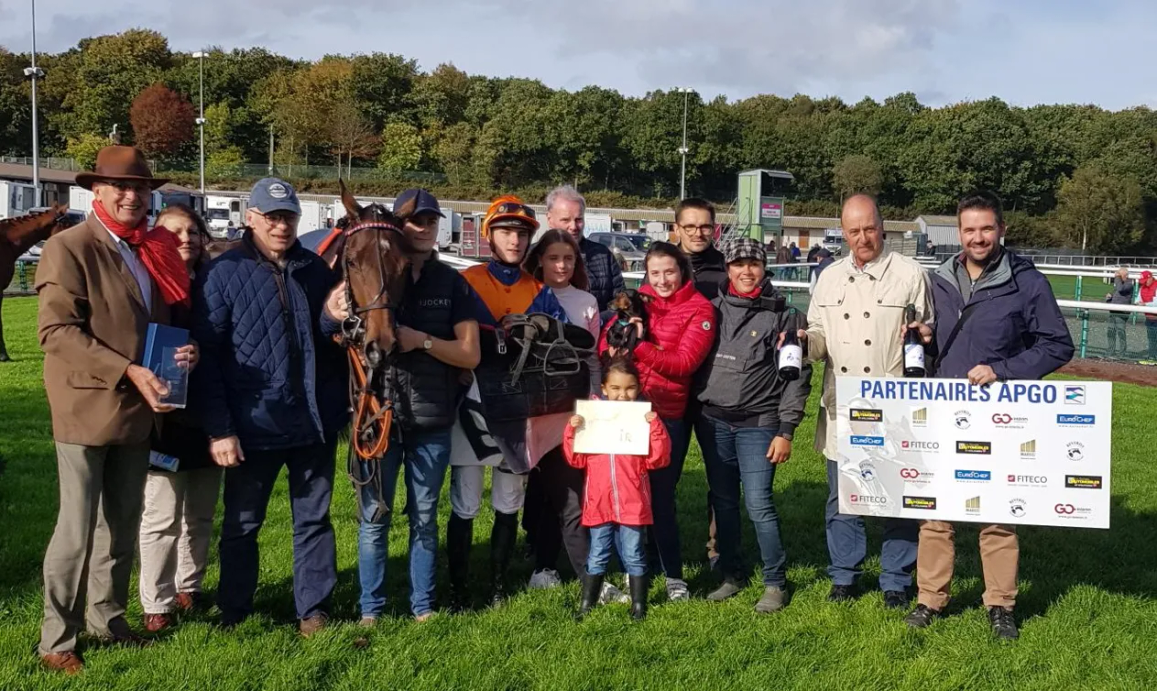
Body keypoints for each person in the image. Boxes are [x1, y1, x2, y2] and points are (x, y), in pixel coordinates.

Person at [36, 146, 197, 673]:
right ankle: (58, 640)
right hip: (86, 409)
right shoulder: (69, 247)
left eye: (142, 188)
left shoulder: (151, 249)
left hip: (140, 410)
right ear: (97, 192)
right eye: (120, 187)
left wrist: (181, 350)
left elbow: (157, 324)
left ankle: (109, 620)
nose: (132, 196)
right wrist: (128, 369)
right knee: (76, 531)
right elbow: (55, 332)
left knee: (122, 525)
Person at [903, 191, 1074, 640]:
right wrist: (923, 337)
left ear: (1001, 230)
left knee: (997, 514)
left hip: (1000, 416)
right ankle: (930, 598)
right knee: (936, 512)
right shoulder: (939, 279)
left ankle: (1000, 603)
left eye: (986, 228)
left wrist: (1003, 371)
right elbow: (934, 342)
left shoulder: (1027, 282)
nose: (978, 237)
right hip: (943, 409)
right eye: (969, 229)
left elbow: (1057, 345)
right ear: (959, 233)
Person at [192, 177, 348, 636]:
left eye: (289, 217)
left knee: (314, 521)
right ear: (251, 218)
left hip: (312, 422)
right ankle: (235, 608)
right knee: (242, 524)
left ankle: (313, 610)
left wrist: (330, 317)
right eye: (272, 217)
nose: (281, 226)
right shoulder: (223, 272)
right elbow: (209, 358)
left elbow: (325, 341)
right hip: (252, 424)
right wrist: (220, 429)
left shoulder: (315, 269)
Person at [328, 189, 480, 624]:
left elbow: (470, 354)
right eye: (416, 222)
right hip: (375, 417)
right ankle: (371, 609)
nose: (424, 229)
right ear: (399, 226)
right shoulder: (369, 273)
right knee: (373, 516)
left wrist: (424, 342)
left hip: (430, 418)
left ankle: (423, 607)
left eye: (431, 222)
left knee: (425, 517)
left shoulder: (451, 282)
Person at [794, 194, 931, 610]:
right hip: (843, 406)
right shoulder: (829, 277)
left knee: (899, 498)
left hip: (895, 408)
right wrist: (804, 344)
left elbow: (925, 337)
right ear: (844, 232)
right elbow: (818, 336)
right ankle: (844, 575)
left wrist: (925, 335)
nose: (863, 238)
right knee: (842, 500)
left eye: (869, 228)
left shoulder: (910, 274)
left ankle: (895, 579)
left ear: (882, 226)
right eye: (853, 231)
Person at [452, 196, 568, 608]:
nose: (515, 240)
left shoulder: (540, 291)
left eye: (521, 233)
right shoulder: (465, 280)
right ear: (489, 235)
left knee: (508, 497)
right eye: (506, 231)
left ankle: (498, 585)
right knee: (465, 498)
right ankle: (460, 587)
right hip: (470, 402)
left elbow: (559, 348)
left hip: (518, 407)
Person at [695, 238, 812, 613]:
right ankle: (732, 573)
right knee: (724, 503)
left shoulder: (784, 315)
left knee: (759, 504)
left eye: (754, 264)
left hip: (759, 423)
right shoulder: (710, 309)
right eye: (738, 264)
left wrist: (786, 430)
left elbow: (797, 377)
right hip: (713, 421)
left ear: (765, 268)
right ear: (727, 268)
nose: (747, 271)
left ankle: (775, 582)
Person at [599, 241, 715, 601]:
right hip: (622, 409)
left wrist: (641, 343)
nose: (662, 280)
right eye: (655, 273)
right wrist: (617, 342)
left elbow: (683, 365)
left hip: (665, 414)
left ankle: (673, 574)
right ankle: (628, 570)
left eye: (670, 271)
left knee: (661, 498)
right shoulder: (635, 302)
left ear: (682, 271)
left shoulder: (700, 308)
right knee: (621, 496)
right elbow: (605, 349)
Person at [137, 205, 220, 634]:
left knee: (201, 514)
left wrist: (202, 353)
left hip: (207, 415)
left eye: (192, 231)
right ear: (156, 237)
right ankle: (157, 601)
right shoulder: (146, 284)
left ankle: (191, 586)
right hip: (162, 419)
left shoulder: (212, 283)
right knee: (162, 515)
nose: (185, 239)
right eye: (174, 232)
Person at [520, 229, 604, 593]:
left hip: (569, 411)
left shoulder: (586, 300)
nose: (561, 265)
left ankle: (559, 568)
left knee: (567, 491)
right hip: (530, 409)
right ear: (540, 259)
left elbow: (592, 354)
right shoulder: (527, 292)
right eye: (554, 258)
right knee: (537, 491)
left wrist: (594, 398)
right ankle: (541, 563)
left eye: (568, 258)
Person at [565, 356, 671, 620]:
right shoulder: (592, 418)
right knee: (598, 553)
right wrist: (572, 431)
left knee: (634, 553)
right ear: (603, 388)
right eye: (615, 388)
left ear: (638, 388)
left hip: (633, 502)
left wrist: (655, 427)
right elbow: (575, 459)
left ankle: (638, 607)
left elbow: (659, 459)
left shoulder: (642, 420)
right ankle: (586, 604)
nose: (623, 395)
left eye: (629, 388)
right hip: (599, 501)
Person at [545, 185, 623, 312]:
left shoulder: (603, 255)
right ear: (549, 219)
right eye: (566, 220)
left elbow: (620, 302)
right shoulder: (533, 256)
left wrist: (596, 322)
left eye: (578, 219)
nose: (573, 226)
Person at [673, 198, 726, 299]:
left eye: (705, 227)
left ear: (714, 229)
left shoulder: (728, 269)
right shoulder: (661, 268)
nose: (698, 234)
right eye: (690, 227)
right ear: (676, 229)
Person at [1106, 267, 1133, 358]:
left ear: (1124, 275)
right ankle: (1110, 351)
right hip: (1113, 311)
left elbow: (1120, 289)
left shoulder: (1129, 284)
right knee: (1110, 332)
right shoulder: (1118, 284)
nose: (1117, 277)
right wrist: (1109, 298)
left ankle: (1121, 354)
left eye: (1118, 275)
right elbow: (1116, 294)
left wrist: (1117, 278)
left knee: (1121, 332)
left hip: (1122, 312)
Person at [1139, 270, 1157, 363]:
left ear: (1150, 277)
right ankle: (1152, 357)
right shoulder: (1142, 288)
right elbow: (1138, 299)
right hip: (1149, 318)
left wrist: (1145, 304)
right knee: (1152, 339)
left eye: (1146, 280)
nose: (1145, 283)